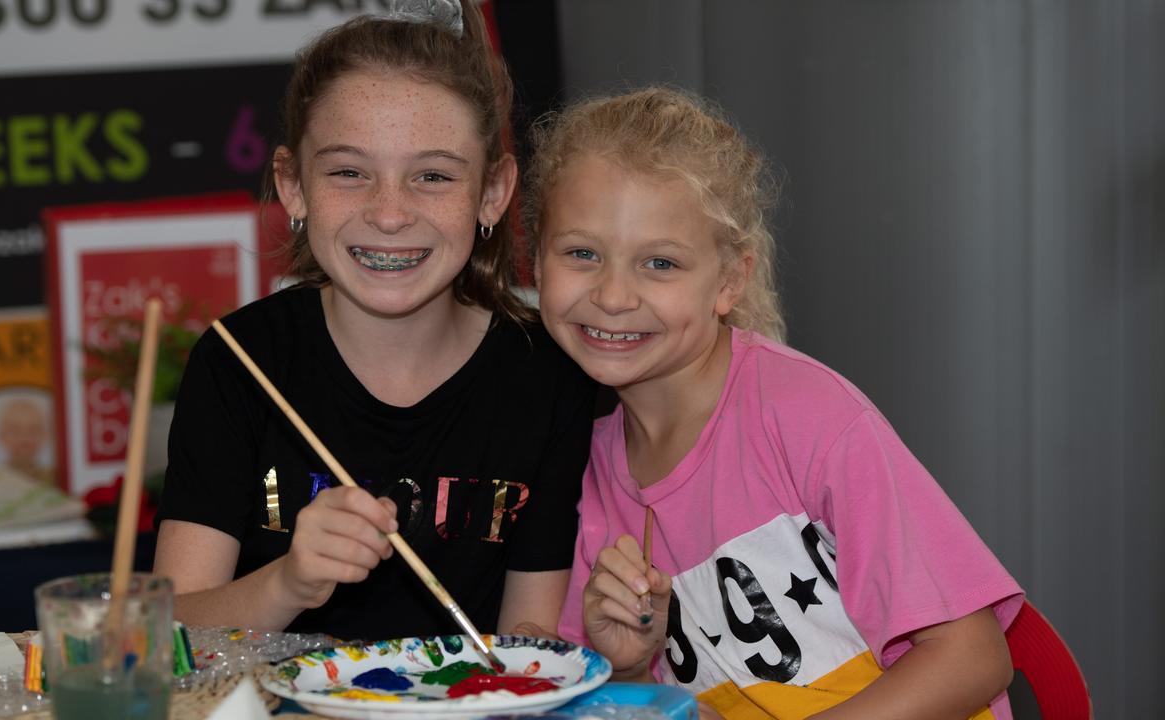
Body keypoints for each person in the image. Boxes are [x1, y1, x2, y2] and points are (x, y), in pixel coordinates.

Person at [528, 87, 1023, 719]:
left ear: (729, 281)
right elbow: (609, 701)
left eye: (660, 263)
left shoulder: (808, 416)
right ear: (537, 264)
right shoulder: (578, 477)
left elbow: (974, 656)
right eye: (582, 254)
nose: (615, 295)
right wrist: (627, 662)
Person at [152, 0, 596, 641]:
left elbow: (531, 638)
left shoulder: (545, 378)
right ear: (294, 185)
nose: (390, 214)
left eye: (433, 175)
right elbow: (169, 635)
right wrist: (289, 582)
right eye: (349, 172)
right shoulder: (238, 360)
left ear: (493, 193)